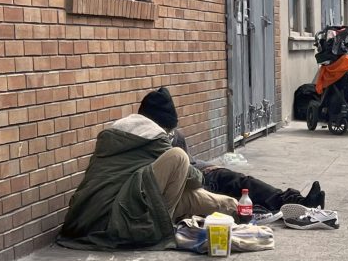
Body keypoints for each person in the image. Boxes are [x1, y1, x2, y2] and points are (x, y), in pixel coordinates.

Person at [58, 88, 238, 250]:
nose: (170, 136)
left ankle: (235, 208)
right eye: (169, 132)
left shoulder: (115, 135)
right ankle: (161, 229)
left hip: (86, 219)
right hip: (114, 219)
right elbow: (193, 177)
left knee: (195, 197)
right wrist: (200, 176)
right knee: (179, 157)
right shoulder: (154, 139)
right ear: (162, 126)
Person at [170, 128, 325, 210]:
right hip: (201, 179)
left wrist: (209, 167)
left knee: (246, 183)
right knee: (244, 192)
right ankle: (295, 204)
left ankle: (298, 201)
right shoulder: (162, 141)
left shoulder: (174, 134)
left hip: (207, 172)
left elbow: (189, 161)